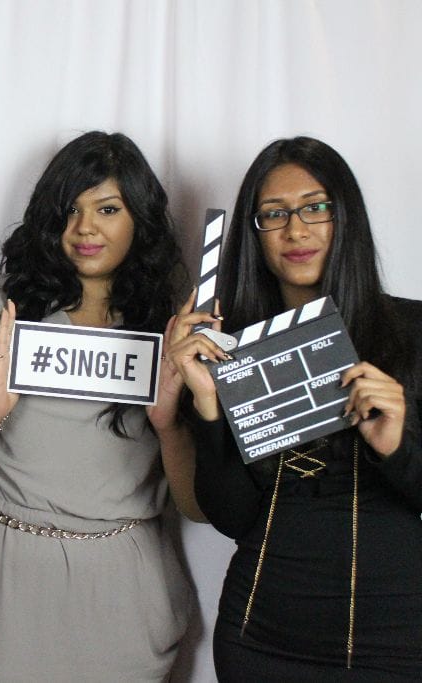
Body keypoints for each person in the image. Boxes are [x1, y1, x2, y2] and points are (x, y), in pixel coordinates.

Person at [0, 131, 203, 682]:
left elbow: (199, 505)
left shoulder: (172, 329)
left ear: (139, 219)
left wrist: (169, 422)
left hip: (120, 594)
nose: (85, 228)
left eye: (107, 209)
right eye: (70, 209)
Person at [168, 136, 422, 679]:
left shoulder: (413, 332)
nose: (296, 230)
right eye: (274, 214)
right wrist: (208, 404)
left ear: (345, 217)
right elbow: (233, 518)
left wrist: (398, 446)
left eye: (315, 207)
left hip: (395, 641)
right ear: (254, 233)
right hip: (260, 638)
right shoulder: (229, 352)